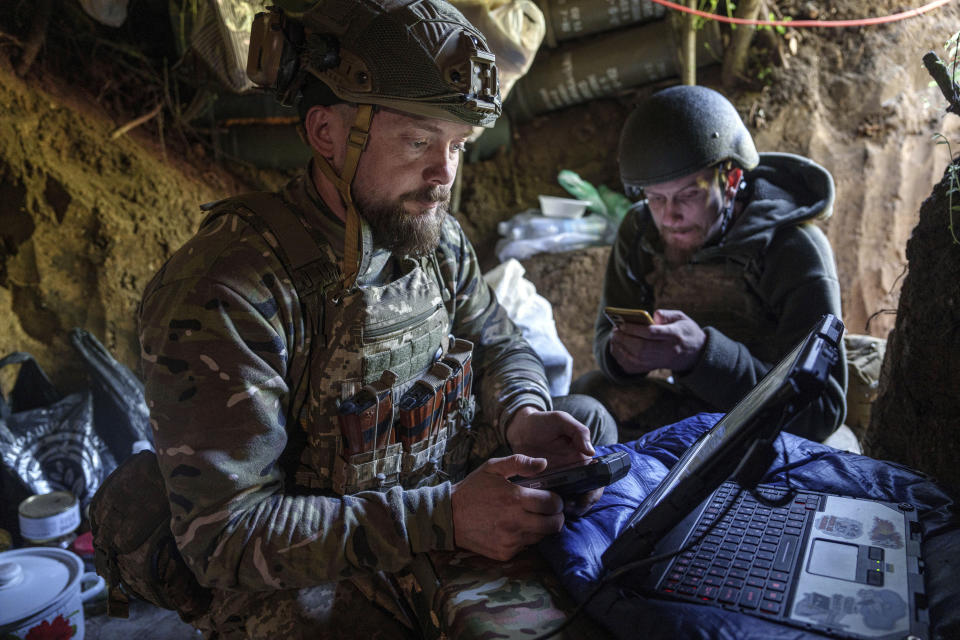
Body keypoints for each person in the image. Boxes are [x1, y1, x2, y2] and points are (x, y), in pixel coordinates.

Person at [135, 1, 614, 638]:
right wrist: (444, 518)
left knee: (584, 422)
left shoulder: (432, 235)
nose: (444, 175)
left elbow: (498, 341)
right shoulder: (230, 290)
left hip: (433, 492)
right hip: (318, 553)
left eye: (456, 145)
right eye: (418, 141)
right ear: (326, 133)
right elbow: (225, 536)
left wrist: (523, 414)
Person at [573, 85, 846, 443]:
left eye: (689, 195)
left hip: (771, 431)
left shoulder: (792, 249)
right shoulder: (640, 233)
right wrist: (623, 355)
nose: (669, 216)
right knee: (590, 397)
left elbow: (822, 409)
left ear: (730, 181)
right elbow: (607, 336)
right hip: (691, 411)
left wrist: (702, 355)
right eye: (656, 198)